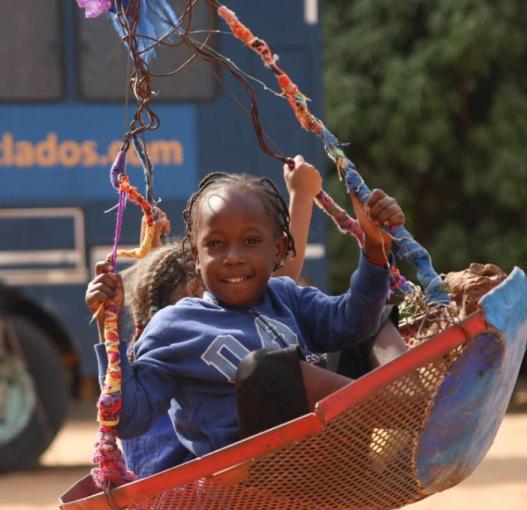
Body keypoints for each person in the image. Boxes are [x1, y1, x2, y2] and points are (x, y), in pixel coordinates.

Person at [86, 159, 406, 459]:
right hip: (258, 469)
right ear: (196, 255)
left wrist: (374, 249)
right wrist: (107, 325)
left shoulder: (285, 295)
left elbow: (353, 323)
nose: (233, 257)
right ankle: (404, 412)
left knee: (375, 320)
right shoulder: (173, 326)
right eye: (216, 244)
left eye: (251, 241)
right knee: (263, 370)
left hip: (330, 445)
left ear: (278, 250)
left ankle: (415, 408)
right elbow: (128, 419)